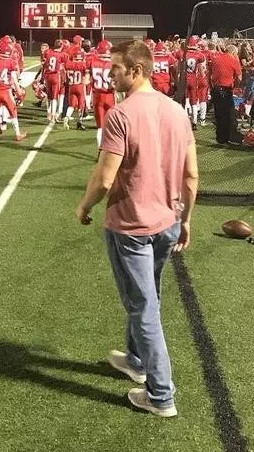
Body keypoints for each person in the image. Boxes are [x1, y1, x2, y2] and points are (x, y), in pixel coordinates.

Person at [76, 40, 198, 418]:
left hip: (131, 226)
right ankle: (135, 360)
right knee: (148, 296)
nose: (110, 73)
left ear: (137, 70)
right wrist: (187, 219)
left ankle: (161, 396)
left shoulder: (121, 114)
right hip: (167, 221)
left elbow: (105, 178)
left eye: (116, 68)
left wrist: (84, 205)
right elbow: (192, 175)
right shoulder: (177, 111)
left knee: (144, 307)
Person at [209, 43, 243, 144]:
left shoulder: (215, 58)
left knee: (219, 115)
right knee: (230, 114)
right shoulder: (233, 60)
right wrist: (235, 85)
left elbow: (209, 73)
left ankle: (220, 138)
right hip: (226, 89)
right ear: (233, 52)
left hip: (216, 88)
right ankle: (231, 136)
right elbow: (240, 78)